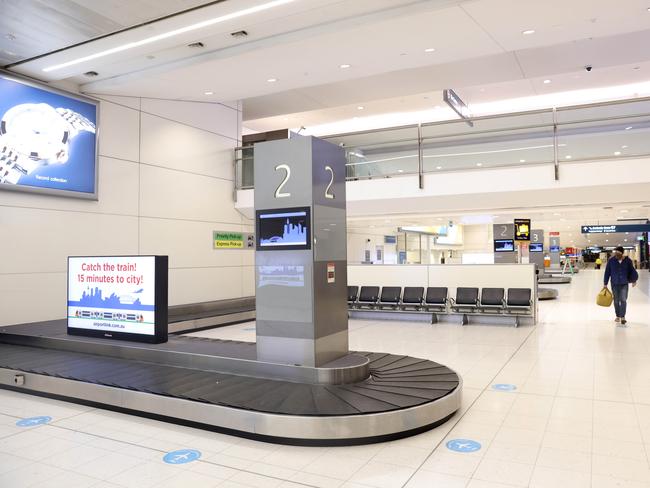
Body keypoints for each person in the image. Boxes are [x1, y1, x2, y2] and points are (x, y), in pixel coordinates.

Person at [603, 246, 639, 325]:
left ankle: (623, 317)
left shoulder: (627, 261)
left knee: (623, 299)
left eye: (618, 252)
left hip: (624, 283)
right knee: (616, 300)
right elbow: (607, 272)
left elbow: (632, 271)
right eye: (616, 252)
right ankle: (618, 315)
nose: (616, 254)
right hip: (614, 283)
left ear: (622, 253)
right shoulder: (611, 261)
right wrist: (605, 283)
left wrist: (634, 280)